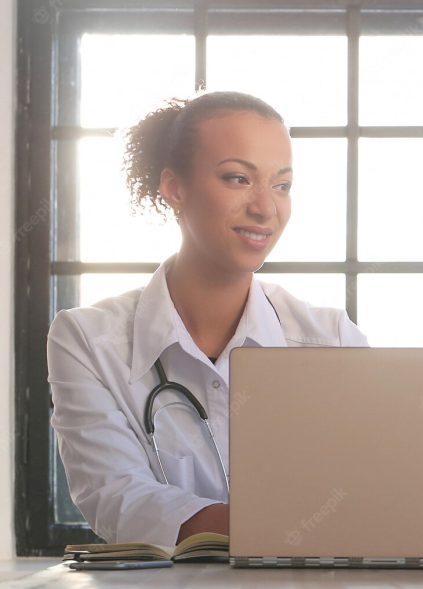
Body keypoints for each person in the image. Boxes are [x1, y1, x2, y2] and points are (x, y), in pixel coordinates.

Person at [46, 91, 368, 547]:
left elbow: (374, 488)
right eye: (238, 178)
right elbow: (116, 497)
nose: (266, 208)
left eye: (282, 185)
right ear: (175, 187)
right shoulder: (85, 340)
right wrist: (287, 526)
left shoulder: (331, 338)